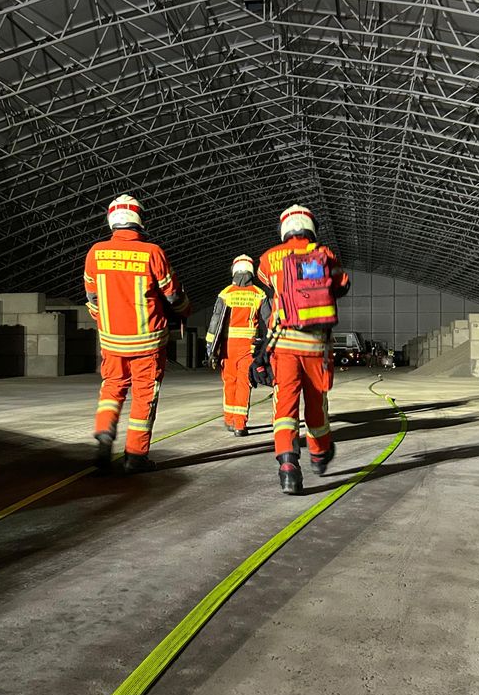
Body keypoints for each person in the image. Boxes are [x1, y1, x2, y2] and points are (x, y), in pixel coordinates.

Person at [84, 194, 190, 473]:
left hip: (112, 342)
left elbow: (92, 297)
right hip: (148, 342)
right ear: (139, 219)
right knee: (144, 397)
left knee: (112, 389)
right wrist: (184, 310)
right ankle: (135, 457)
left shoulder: (96, 252)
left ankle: (104, 435)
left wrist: (105, 323)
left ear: (111, 220)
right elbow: (173, 294)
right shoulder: (152, 252)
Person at [256, 205, 350, 494]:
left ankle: (288, 467)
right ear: (311, 227)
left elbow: (267, 283)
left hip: (283, 344)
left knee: (285, 407)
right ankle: (319, 456)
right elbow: (343, 285)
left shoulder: (269, 258)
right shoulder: (325, 254)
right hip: (316, 345)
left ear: (284, 228)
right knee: (316, 402)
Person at [205, 255, 270, 436]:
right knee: (244, 383)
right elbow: (269, 321)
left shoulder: (226, 293)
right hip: (248, 348)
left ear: (234, 271)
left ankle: (229, 419)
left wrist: (210, 347)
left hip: (228, 347)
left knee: (229, 382)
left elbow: (215, 322)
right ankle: (240, 425)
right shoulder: (259, 293)